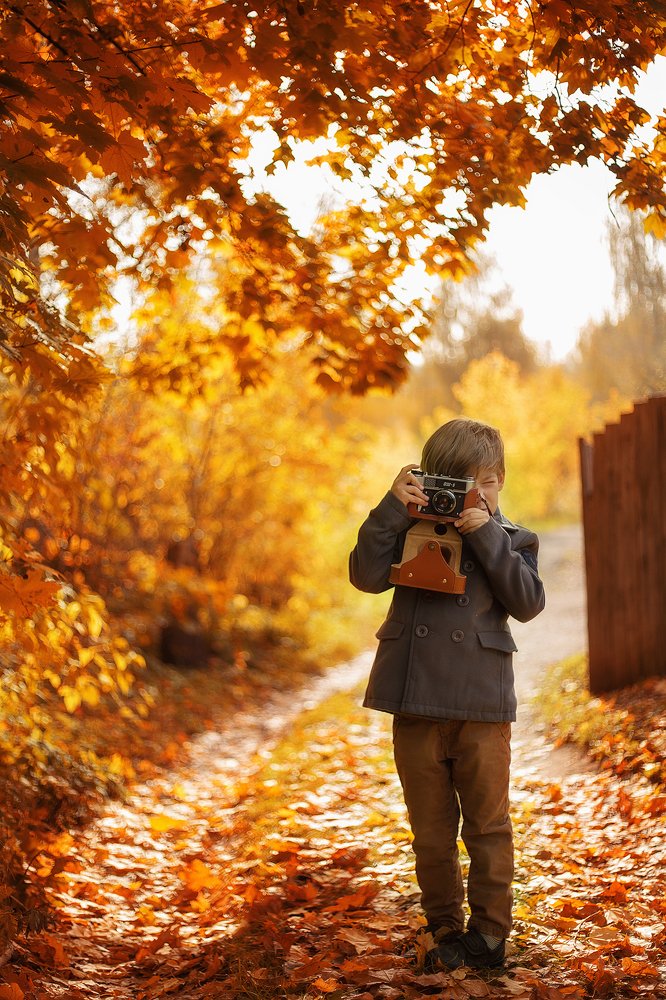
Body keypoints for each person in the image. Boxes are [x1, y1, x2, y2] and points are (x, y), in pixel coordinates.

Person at [349, 417, 545, 970]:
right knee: (430, 829)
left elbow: (528, 602)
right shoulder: (409, 526)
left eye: (483, 481)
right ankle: (443, 928)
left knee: (486, 824)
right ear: (432, 480)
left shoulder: (513, 538)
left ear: (500, 479)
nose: (471, 494)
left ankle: (488, 934)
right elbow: (364, 575)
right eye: (457, 483)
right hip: (416, 701)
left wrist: (484, 532)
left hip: (480, 704)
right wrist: (393, 506)